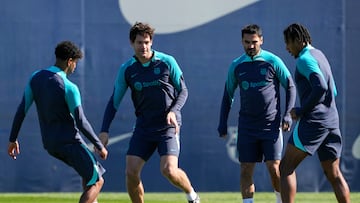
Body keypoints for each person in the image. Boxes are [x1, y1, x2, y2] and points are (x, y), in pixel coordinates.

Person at [98, 22, 200, 203]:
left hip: (168, 126)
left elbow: (183, 91)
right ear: (132, 43)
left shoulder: (167, 62)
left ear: (151, 42)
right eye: (139, 42)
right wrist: (105, 130)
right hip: (144, 127)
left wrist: (173, 111)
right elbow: (114, 102)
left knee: (169, 170)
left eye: (146, 42)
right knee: (131, 171)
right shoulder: (128, 69)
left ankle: (192, 195)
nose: (143, 46)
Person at [7, 41, 108, 203]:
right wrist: (98, 144)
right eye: (75, 63)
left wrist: (12, 139)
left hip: (50, 144)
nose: (75, 67)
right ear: (69, 61)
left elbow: (21, 111)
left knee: (88, 175)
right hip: (70, 142)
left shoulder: (35, 78)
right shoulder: (69, 86)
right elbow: (81, 121)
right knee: (97, 181)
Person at [217, 24, 296, 203]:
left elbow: (290, 86)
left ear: (261, 40)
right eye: (246, 42)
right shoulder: (237, 65)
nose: (250, 46)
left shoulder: (273, 61)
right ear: (242, 42)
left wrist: (287, 115)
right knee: (245, 169)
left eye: (254, 42)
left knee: (274, 168)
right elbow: (227, 95)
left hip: (270, 126)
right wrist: (222, 122)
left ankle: (279, 200)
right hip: (247, 126)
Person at [280, 23, 350, 203]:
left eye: (288, 43)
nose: (287, 48)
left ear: (299, 40)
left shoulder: (304, 59)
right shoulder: (319, 55)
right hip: (331, 121)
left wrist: (302, 110)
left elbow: (321, 87)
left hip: (315, 122)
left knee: (286, 167)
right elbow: (332, 91)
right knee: (333, 174)